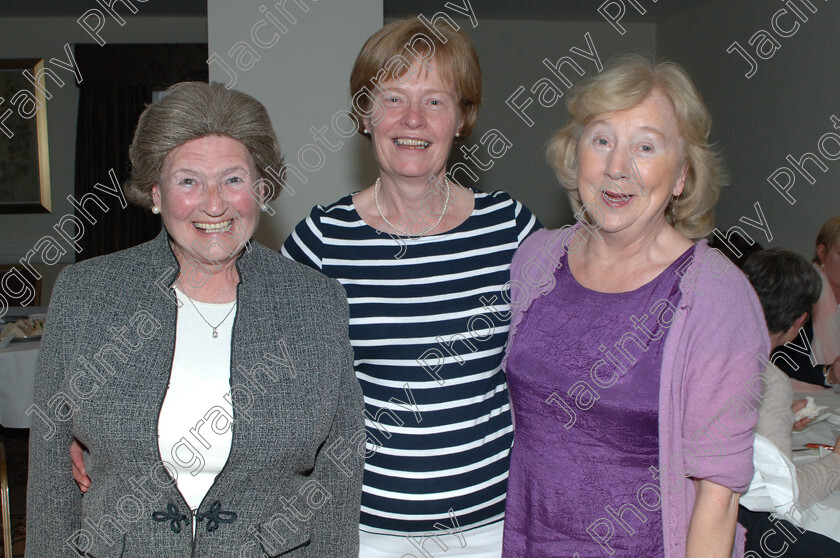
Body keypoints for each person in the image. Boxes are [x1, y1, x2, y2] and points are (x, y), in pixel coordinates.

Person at [28, 82, 364, 557]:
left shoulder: (315, 301)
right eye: (188, 181)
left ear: (261, 190)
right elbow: (49, 467)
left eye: (233, 179)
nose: (214, 204)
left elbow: (339, 469)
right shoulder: (87, 293)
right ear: (155, 193)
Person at [281, 17, 540, 557]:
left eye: (436, 101)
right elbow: (248, 355)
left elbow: (569, 354)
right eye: (392, 98)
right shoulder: (322, 238)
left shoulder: (511, 230)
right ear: (364, 113)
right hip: (363, 528)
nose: (413, 119)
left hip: (491, 525)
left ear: (463, 117)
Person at [501, 55, 769, 557]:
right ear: (575, 154)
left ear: (682, 176)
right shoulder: (536, 260)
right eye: (602, 140)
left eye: (645, 147)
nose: (617, 167)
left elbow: (719, 496)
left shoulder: (716, 298)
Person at [736, 248, 840, 556]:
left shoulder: (705, 348)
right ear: (799, 322)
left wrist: (778, 421)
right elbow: (785, 497)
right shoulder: (768, 379)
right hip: (731, 519)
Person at [772, 216, 840, 387]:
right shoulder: (799, 292)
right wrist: (828, 373)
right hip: (797, 397)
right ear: (822, 253)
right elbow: (780, 361)